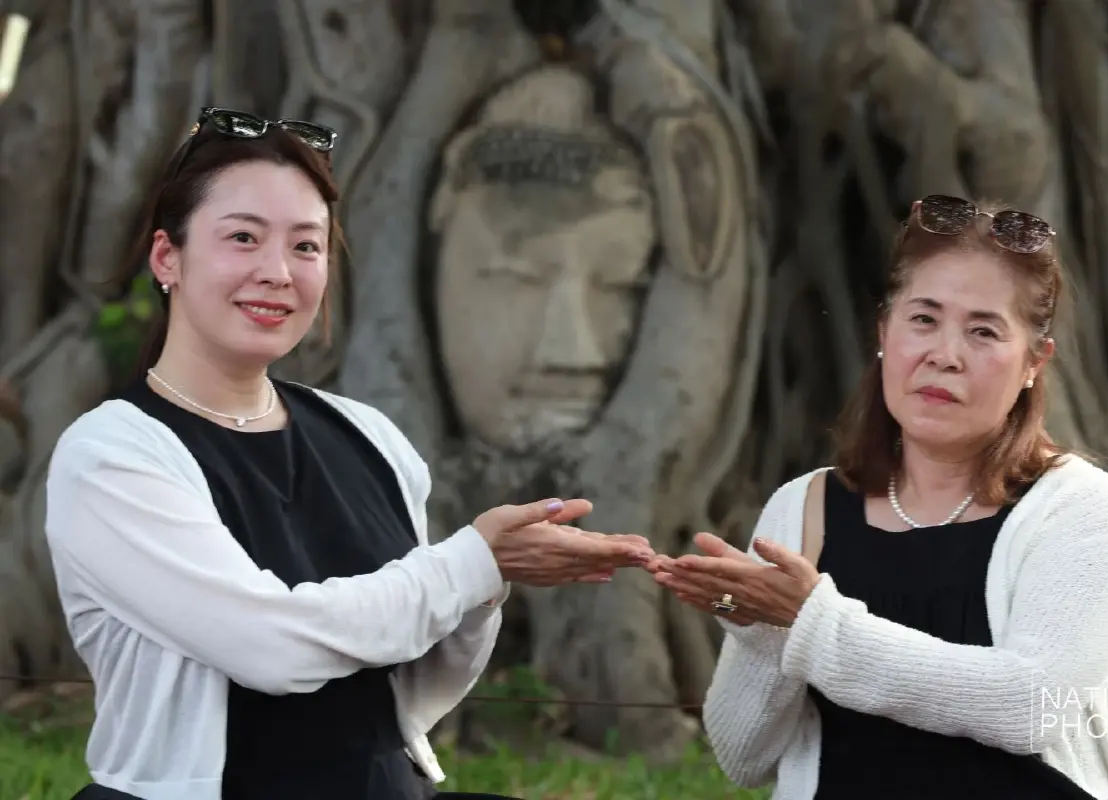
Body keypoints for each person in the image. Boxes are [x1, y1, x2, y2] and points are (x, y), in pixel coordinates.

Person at [43, 107, 655, 800]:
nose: (277, 272)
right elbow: (270, 646)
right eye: (242, 237)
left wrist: (488, 583)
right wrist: (473, 561)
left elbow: (410, 676)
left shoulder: (368, 434)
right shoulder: (112, 455)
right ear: (167, 258)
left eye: (306, 247)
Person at [650, 195, 1108, 799]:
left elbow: (1032, 707)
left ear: (1034, 362)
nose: (945, 355)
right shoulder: (805, 507)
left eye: (984, 331)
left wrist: (811, 621)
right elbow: (741, 754)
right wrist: (760, 625)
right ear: (884, 333)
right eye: (923, 320)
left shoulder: (1080, 507)